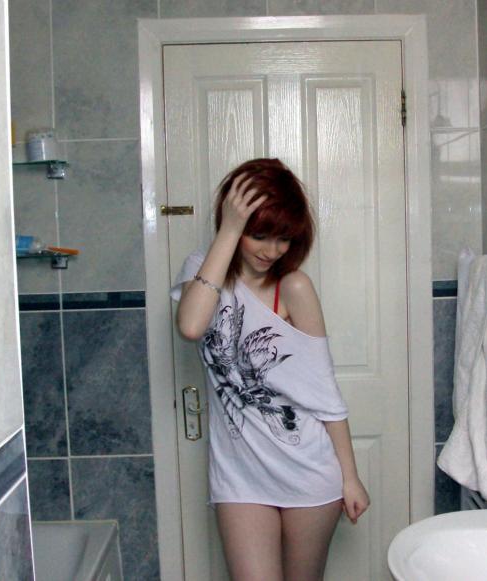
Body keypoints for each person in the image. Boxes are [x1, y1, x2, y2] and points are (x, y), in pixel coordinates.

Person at [170, 158, 370, 581]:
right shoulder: (201, 270)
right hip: (239, 475)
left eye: (283, 238)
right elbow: (190, 326)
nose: (271, 250)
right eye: (259, 235)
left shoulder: (294, 287)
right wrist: (229, 229)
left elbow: (323, 390)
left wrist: (350, 477)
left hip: (308, 470)